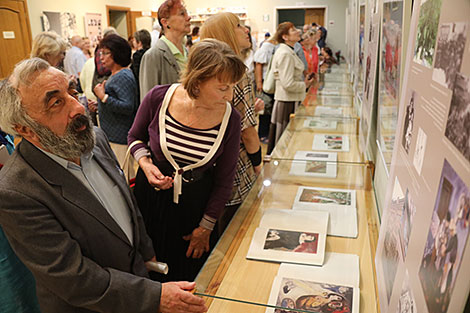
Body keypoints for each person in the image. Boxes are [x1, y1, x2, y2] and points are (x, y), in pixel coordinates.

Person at [0, 58, 207, 313]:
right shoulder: (16, 191)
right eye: (56, 103)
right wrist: (154, 296)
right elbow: (72, 277)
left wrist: (146, 249)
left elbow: (126, 202)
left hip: (137, 283)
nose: (78, 107)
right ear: (26, 129)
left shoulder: (94, 138)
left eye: (72, 92)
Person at [128, 39, 243, 283]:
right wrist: (147, 166)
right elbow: (135, 137)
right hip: (151, 199)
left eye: (232, 87)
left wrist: (206, 228)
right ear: (198, 80)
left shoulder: (230, 119)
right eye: (223, 88)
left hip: (194, 208)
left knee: (186, 277)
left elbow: (224, 181)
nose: (230, 95)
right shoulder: (159, 98)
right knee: (146, 272)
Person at [200, 13, 264, 235]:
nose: (245, 29)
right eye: (238, 25)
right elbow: (247, 132)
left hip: (208, 165)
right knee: (233, 231)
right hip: (236, 168)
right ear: (225, 33)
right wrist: (259, 165)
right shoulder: (238, 72)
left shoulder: (205, 70)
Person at [267, 22, 314, 154]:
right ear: (285, 37)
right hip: (287, 101)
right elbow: (288, 83)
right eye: (293, 30)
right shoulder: (285, 54)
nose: (298, 31)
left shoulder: (288, 51)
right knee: (284, 140)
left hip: (289, 99)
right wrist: (304, 84)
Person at [93, 34, 139, 167]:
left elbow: (127, 106)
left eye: (105, 53)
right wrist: (99, 104)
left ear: (117, 54)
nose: (101, 57)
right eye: (101, 53)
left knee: (123, 176)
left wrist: (104, 97)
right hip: (114, 136)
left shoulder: (122, 76)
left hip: (120, 138)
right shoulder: (117, 74)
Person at [139, 0, 191, 101]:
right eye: (182, 14)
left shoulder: (188, 53)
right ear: (165, 22)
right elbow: (148, 102)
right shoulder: (153, 56)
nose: (188, 17)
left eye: (186, 13)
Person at [254, 35, 276, 142]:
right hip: (264, 82)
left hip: (271, 83)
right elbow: (259, 64)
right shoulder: (267, 47)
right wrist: (259, 83)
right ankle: (262, 134)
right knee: (265, 110)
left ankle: (268, 134)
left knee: (270, 110)